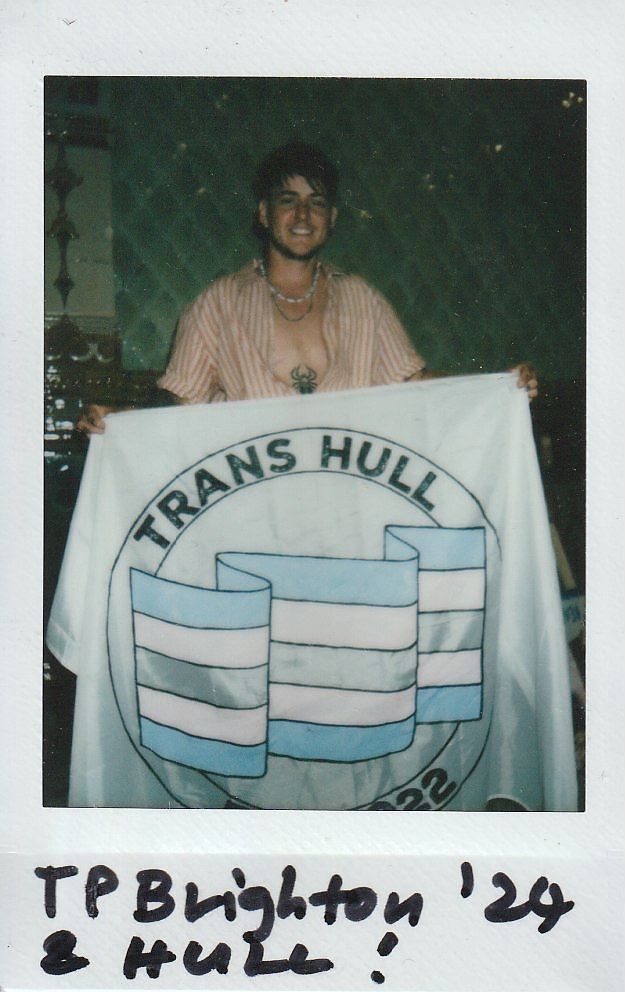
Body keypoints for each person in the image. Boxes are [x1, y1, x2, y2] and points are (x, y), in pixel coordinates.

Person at [78, 141, 537, 433]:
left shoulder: (366, 300)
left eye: (316, 204)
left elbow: (416, 384)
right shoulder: (217, 304)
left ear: (332, 219)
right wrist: (122, 420)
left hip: (352, 509)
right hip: (253, 511)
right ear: (263, 214)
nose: (302, 217)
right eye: (288, 202)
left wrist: (499, 383)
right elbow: (179, 401)